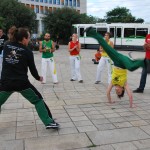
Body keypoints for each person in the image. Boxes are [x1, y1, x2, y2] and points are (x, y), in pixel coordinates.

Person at [0, 26, 59, 129]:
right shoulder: (27, 51)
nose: (29, 40)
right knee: (38, 100)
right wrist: (38, 78)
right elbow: (33, 70)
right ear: (23, 39)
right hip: (22, 84)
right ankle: (49, 122)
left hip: (5, 83)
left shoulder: (6, 45)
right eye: (28, 38)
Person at [86, 28, 149, 108]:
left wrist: (110, 101)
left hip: (116, 60)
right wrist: (131, 105)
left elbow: (108, 92)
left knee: (105, 46)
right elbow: (130, 95)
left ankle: (91, 32)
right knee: (131, 67)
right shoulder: (124, 83)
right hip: (124, 63)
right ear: (122, 90)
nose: (116, 90)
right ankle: (145, 62)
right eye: (119, 92)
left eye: (116, 92)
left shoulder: (113, 82)